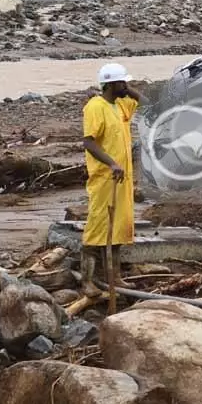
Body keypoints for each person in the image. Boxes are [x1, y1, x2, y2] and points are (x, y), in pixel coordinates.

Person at [82, 64, 138, 296]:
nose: (126, 86)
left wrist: (126, 88)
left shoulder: (121, 104)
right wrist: (111, 163)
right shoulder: (95, 107)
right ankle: (87, 281)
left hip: (122, 179)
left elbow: (145, 101)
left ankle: (113, 276)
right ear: (110, 85)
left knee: (118, 227)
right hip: (105, 177)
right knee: (98, 227)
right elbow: (89, 142)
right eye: (121, 83)